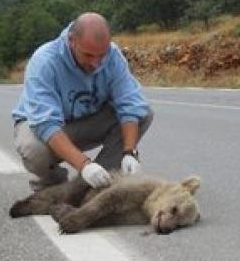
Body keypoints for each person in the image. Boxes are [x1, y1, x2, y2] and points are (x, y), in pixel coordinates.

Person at [12, 12, 153, 191]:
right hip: (44, 126)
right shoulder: (44, 61)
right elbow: (46, 123)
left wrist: (129, 152)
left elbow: (130, 104)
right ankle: (52, 187)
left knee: (143, 113)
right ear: (72, 41)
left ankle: (96, 184)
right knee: (33, 149)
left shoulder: (113, 56)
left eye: (101, 55)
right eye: (88, 55)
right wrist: (85, 165)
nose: (95, 63)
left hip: (87, 121)